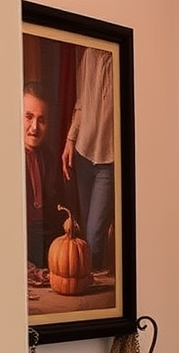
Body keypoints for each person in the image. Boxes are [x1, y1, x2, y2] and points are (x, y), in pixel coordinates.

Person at [62, 46, 115, 273]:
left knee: (94, 234)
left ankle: (99, 299)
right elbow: (82, 102)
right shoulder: (89, 54)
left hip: (110, 159)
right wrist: (70, 140)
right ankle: (86, 287)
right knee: (85, 230)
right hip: (83, 151)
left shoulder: (121, 56)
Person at [24, 81, 63, 278]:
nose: (34, 127)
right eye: (28, 117)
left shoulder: (48, 157)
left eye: (42, 120)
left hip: (43, 235)